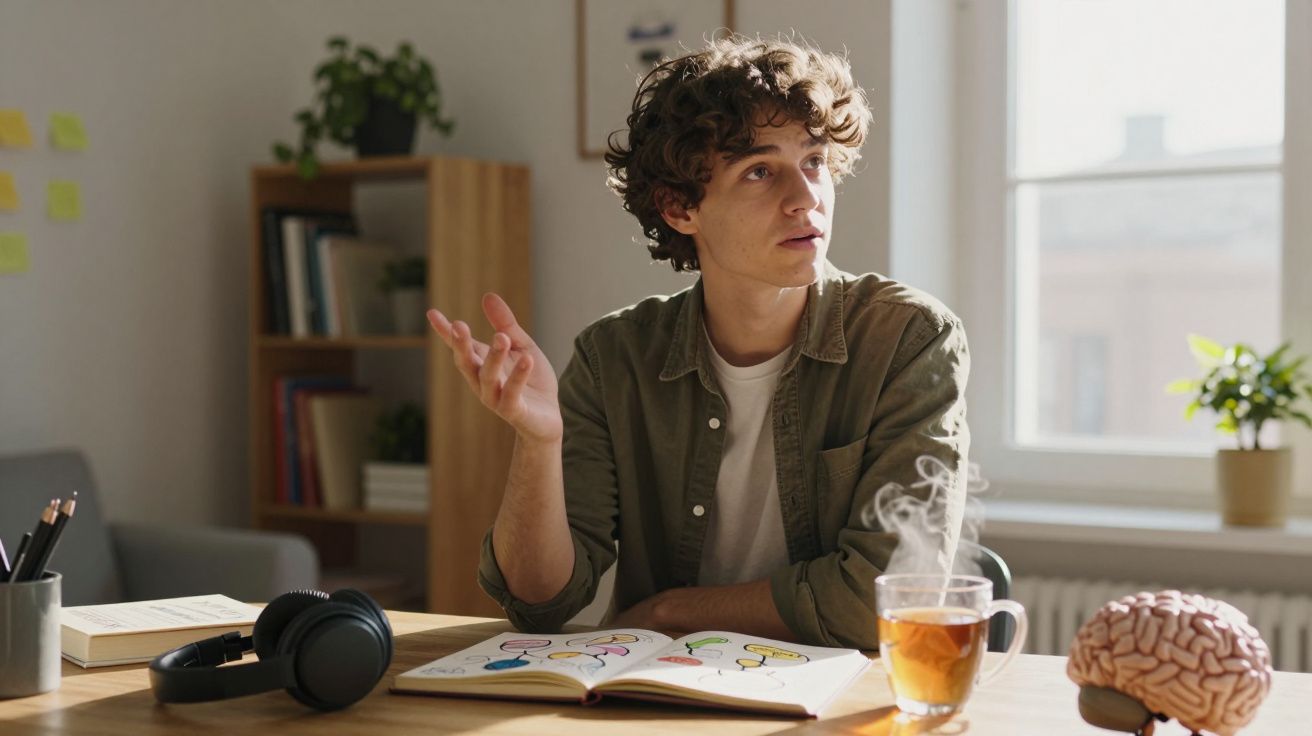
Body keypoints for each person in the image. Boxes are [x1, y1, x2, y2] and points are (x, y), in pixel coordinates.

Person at [427, 35, 968, 650]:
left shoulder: (907, 340)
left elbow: (890, 597)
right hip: (653, 698)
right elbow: (539, 602)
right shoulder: (613, 359)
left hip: (834, 700)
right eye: (761, 171)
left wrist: (670, 613)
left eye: (814, 161)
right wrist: (538, 441)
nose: (806, 198)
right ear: (680, 207)